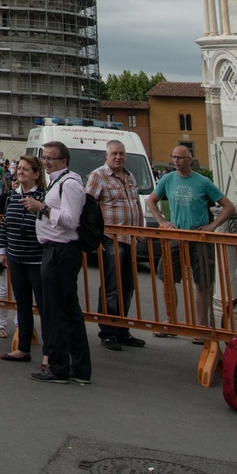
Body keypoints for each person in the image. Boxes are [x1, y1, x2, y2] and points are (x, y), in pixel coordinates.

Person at [146, 143, 237, 328]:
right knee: (167, 277)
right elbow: (151, 200)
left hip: (199, 237)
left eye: (180, 157)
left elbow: (228, 206)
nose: (176, 161)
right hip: (176, 235)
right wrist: (162, 221)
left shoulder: (203, 182)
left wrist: (212, 226)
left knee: (203, 282)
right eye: (174, 157)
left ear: (190, 160)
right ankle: (171, 320)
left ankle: (202, 325)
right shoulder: (168, 179)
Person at [32, 140, 94, 385]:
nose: (46, 162)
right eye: (44, 157)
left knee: (56, 311)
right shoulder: (57, 182)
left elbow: (71, 220)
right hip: (55, 248)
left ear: (63, 161)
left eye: (51, 158)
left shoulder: (69, 184)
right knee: (68, 310)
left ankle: (59, 367)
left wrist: (43, 208)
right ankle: (78, 368)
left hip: (61, 250)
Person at [84, 140, 147, 352]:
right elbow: (88, 207)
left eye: (121, 153)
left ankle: (121, 329)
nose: (118, 157)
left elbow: (136, 203)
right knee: (112, 286)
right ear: (106, 156)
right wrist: (97, 238)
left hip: (130, 238)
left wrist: (140, 229)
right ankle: (108, 331)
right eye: (114, 154)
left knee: (127, 286)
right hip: (111, 238)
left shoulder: (129, 177)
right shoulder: (98, 176)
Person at [0, 154, 46, 364]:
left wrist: (38, 208)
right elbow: (5, 224)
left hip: (37, 259)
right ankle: (23, 347)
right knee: (22, 304)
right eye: (19, 168)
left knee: (44, 305)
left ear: (36, 173)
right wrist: (2, 250)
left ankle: (50, 353)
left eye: (26, 169)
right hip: (16, 257)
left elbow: (49, 223)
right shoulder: (12, 196)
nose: (21, 172)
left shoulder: (44, 196)